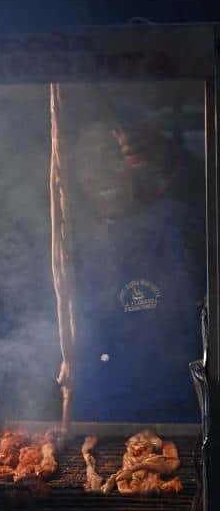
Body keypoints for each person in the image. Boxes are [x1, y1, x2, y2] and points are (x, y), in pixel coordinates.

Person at [70, 122, 202, 422]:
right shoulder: (66, 237)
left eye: (114, 154)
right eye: (89, 159)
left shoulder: (180, 224)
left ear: (139, 163)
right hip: (92, 422)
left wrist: (173, 159)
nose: (102, 169)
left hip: (178, 417)